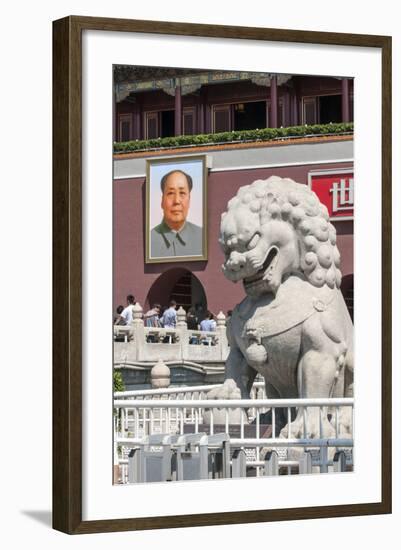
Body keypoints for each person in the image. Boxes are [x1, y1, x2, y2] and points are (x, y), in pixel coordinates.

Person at [150, 170, 203, 258]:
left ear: (189, 200)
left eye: (182, 193)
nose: (176, 201)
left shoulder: (202, 237)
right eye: (170, 193)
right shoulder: (149, 240)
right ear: (162, 201)